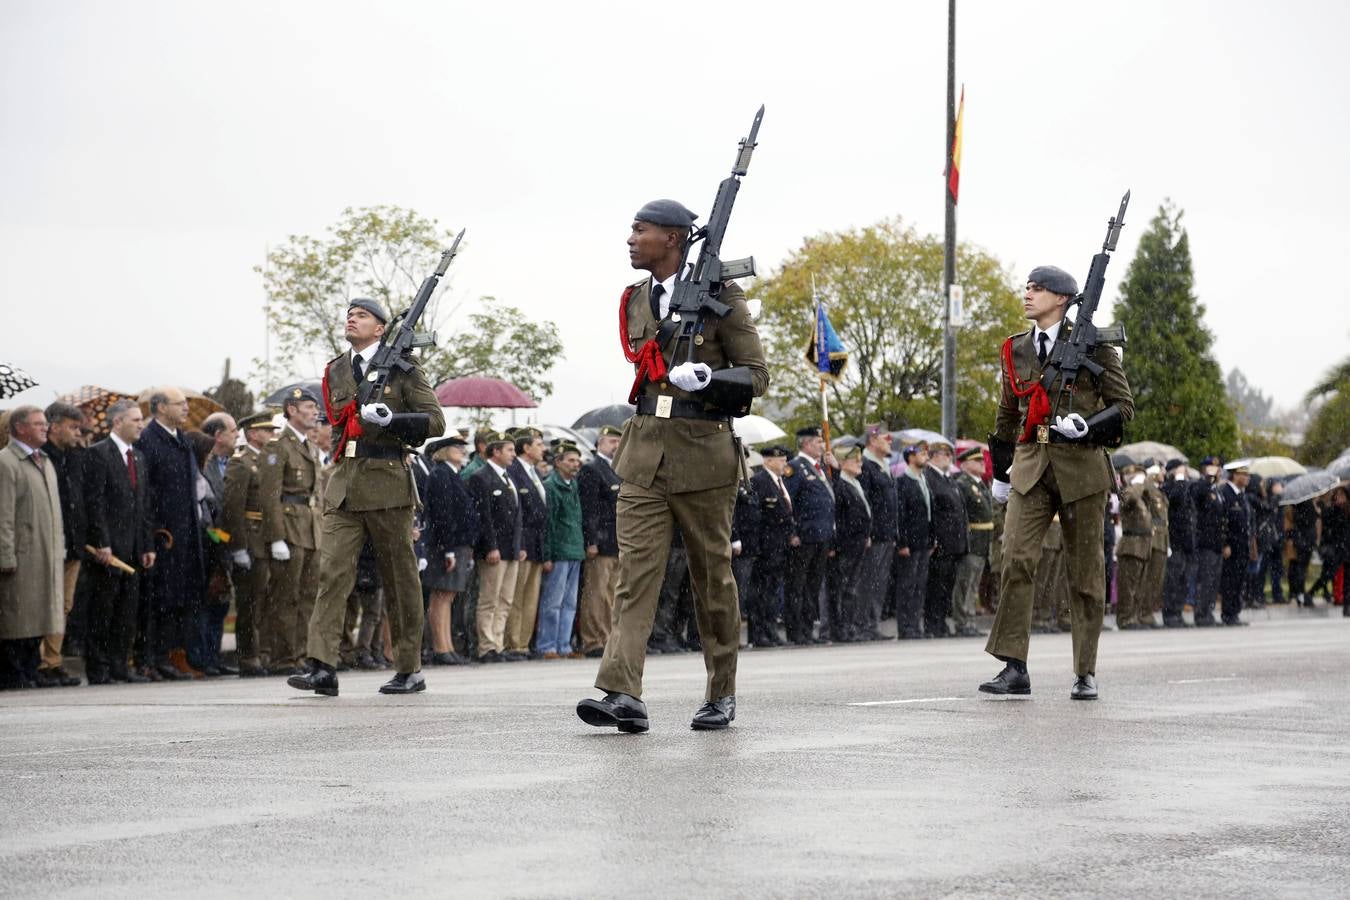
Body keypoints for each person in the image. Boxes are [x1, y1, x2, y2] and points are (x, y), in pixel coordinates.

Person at [577, 197, 768, 734]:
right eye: (632, 230)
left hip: (704, 453)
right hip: (642, 455)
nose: (632, 238)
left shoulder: (722, 295)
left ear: (676, 238)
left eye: (642, 230)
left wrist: (711, 381)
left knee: (713, 580)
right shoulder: (637, 300)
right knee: (634, 579)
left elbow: (756, 376)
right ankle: (622, 692)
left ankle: (720, 691)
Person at [983, 265, 1134, 700]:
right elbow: (1007, 414)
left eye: (1039, 289)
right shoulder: (1016, 349)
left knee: (1085, 573)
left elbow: (1122, 408)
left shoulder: (1095, 345)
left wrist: (1087, 426)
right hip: (1031, 466)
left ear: (1063, 299)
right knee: (1015, 558)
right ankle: (1014, 666)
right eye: (1027, 287)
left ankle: (1085, 670)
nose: (1028, 294)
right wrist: (999, 471)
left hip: (1082, 468)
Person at [288, 297, 445, 696]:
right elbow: (340, 428)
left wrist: (394, 420)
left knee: (400, 580)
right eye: (349, 315)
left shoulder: (405, 369)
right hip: (344, 484)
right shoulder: (337, 370)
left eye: (361, 316)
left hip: (388, 481)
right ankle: (322, 666)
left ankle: (409, 667)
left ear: (380, 328)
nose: (351, 319)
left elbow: (436, 421)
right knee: (332, 575)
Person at [82, 400, 155, 683]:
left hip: (134, 547)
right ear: (117, 423)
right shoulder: (98, 454)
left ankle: (119, 666)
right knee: (103, 609)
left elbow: (144, 504)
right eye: (135, 420)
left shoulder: (138, 457)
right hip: (109, 548)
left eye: (140, 420)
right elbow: (95, 502)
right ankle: (98, 669)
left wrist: (147, 544)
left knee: (127, 611)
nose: (140, 424)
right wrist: (101, 541)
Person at [136, 387, 207, 681]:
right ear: (161, 407)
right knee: (161, 600)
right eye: (179, 404)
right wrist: (152, 530)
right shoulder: (149, 440)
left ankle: (177, 655)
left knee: (184, 597)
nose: (186, 409)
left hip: (187, 531)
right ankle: (155, 657)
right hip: (164, 534)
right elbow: (146, 491)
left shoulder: (182, 440)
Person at [0, 407, 65, 689]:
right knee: (18, 616)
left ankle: (29, 669)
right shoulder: (7, 462)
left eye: (45, 423)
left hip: (46, 552)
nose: (45, 428)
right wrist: (5, 553)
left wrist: (59, 548)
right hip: (22, 554)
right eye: (38, 424)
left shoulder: (45, 460)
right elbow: (3, 515)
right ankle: (15, 672)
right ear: (19, 428)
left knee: (40, 614)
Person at [259, 389, 322, 675]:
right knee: (286, 596)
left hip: (310, 527)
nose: (315, 412)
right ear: (292, 410)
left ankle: (301, 654)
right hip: (289, 527)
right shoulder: (278, 446)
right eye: (309, 407)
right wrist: (276, 537)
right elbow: (270, 495)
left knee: (309, 596)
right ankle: (282, 656)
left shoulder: (308, 445)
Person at [222, 411, 278, 676]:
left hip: (265, 538)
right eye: (268, 431)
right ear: (254, 434)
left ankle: (263, 652)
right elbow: (232, 508)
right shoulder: (241, 464)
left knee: (265, 600)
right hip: (250, 538)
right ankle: (248, 656)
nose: (272, 435)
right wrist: (238, 546)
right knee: (249, 602)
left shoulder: (265, 461)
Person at [37, 401, 87, 686]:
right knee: (45, 603)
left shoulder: (75, 457)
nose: (77, 433)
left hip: (74, 542)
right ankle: (40, 661)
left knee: (64, 605)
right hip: (50, 543)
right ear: (54, 427)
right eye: (72, 426)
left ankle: (53, 661)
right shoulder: (43, 457)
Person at [468, 431, 524, 663]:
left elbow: (516, 517)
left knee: (505, 599)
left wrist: (518, 545)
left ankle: (498, 643)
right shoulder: (481, 477)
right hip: (494, 549)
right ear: (496, 452)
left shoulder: (507, 477)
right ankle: (486, 645)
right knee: (489, 599)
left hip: (510, 548)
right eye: (509, 450)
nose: (513, 454)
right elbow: (484, 517)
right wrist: (490, 546)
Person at [422, 432, 477, 665]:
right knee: (441, 596)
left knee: (448, 595)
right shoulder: (441, 474)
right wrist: (448, 549)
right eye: (457, 447)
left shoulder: (452, 474)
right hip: (445, 544)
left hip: (457, 542)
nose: (462, 450)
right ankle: (440, 647)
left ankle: (448, 646)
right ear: (444, 451)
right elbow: (442, 515)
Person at [782, 426, 836, 645]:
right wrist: (792, 531)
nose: (822, 446)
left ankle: (806, 629)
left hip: (821, 535)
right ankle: (795, 631)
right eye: (817, 442)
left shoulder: (820, 468)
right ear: (805, 444)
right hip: (804, 536)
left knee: (812, 586)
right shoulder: (795, 468)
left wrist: (836, 469)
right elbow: (788, 502)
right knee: (797, 585)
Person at [576, 424, 622, 657]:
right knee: (596, 593)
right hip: (601, 542)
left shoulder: (618, 468)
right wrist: (591, 540)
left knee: (612, 594)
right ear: (600, 442)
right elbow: (590, 509)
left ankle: (608, 637)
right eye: (612, 441)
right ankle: (594, 639)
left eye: (618, 441)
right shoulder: (592, 469)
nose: (616, 445)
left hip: (616, 541)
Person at [535, 441, 585, 659]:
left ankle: (564, 645)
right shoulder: (551, 485)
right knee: (552, 602)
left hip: (575, 549)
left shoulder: (573, 484)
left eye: (577, 460)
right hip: (559, 550)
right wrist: (548, 555)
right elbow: (548, 524)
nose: (576, 464)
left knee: (570, 603)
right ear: (558, 462)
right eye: (571, 460)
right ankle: (547, 645)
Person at [505, 427, 549, 661]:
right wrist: (519, 543)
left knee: (531, 597)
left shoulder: (534, 472)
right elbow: (517, 511)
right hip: (524, 542)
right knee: (517, 596)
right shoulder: (514, 471)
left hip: (537, 543)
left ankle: (523, 643)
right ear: (526, 448)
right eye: (539, 444)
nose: (543, 449)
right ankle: (512, 643)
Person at [746, 445, 793, 647]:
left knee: (772, 591)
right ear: (768, 461)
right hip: (766, 546)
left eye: (784, 460)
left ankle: (770, 630)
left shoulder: (780, 482)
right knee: (760, 592)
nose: (784, 464)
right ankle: (759, 633)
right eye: (780, 460)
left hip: (779, 546)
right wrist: (758, 545)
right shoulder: (759, 481)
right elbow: (755, 516)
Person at [856, 423, 898, 641]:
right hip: (875, 534)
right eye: (885, 437)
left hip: (886, 534)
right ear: (872, 440)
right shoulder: (865, 465)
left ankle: (872, 623)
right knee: (868, 580)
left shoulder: (882, 464)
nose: (889, 441)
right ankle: (863, 624)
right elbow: (866, 503)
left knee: (879, 581)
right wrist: (868, 532)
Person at [922, 440, 967, 639]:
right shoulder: (929, 477)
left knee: (946, 585)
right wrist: (935, 538)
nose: (948, 458)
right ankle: (933, 623)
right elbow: (933, 511)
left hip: (953, 542)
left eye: (949, 455)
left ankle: (940, 622)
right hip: (941, 542)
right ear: (932, 456)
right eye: (943, 454)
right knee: (936, 585)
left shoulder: (948, 479)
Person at [829, 445, 872, 641]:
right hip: (846, 544)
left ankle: (849, 625)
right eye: (855, 460)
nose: (860, 464)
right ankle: (842, 628)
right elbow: (840, 516)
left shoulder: (854, 482)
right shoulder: (841, 485)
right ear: (843, 463)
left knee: (852, 587)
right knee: (843, 588)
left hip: (858, 542)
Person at [951, 445, 992, 638]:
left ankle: (970, 619)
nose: (983, 464)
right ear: (965, 464)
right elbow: (962, 515)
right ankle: (962, 621)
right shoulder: (962, 484)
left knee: (974, 583)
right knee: (965, 583)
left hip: (982, 541)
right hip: (972, 539)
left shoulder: (980, 485)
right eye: (978, 461)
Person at [894, 441, 933, 640]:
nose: (926, 456)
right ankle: (905, 626)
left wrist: (931, 539)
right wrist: (902, 542)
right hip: (910, 541)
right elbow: (900, 514)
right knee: (907, 585)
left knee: (919, 584)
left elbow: (929, 512)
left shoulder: (923, 479)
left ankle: (915, 624)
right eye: (921, 453)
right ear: (910, 457)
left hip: (924, 541)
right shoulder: (903, 482)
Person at [1114, 462, 1153, 630]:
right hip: (1131, 545)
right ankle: (1125, 618)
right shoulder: (1128, 491)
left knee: (1139, 586)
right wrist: (1137, 484)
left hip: (1143, 545)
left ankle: (1135, 616)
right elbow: (1127, 500)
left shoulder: (1143, 495)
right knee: (1128, 586)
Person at [1160, 459, 1197, 628]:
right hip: (1174, 541)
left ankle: (1178, 612)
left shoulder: (1186, 486)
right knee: (1172, 580)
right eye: (1181, 470)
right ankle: (1169, 614)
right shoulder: (1168, 487)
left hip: (1186, 542)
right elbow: (1176, 498)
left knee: (1183, 580)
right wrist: (1180, 478)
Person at [1219, 462, 1255, 626]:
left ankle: (1235, 612)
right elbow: (1222, 520)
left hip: (1242, 546)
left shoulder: (1242, 495)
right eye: (1244, 475)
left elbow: (1247, 522)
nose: (1247, 478)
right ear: (1235, 475)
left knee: (1239, 580)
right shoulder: (1225, 493)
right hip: (1232, 546)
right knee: (1230, 581)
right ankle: (1228, 613)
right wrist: (1225, 543)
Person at [1137, 461, 1169, 628]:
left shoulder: (1159, 490)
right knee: (1149, 578)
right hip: (1154, 538)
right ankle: (1144, 613)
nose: (1164, 472)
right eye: (1161, 470)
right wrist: (1149, 477)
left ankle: (1148, 612)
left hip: (1162, 538)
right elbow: (1142, 491)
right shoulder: (1148, 487)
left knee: (1157, 579)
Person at [1286, 496, 1320, 607]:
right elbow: (1310, 520)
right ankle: (1301, 594)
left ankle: (1298, 594)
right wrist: (1316, 511)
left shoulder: (1296, 505)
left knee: (1299, 567)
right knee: (1301, 568)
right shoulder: (1308, 504)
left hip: (1300, 539)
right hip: (1306, 540)